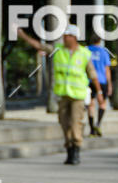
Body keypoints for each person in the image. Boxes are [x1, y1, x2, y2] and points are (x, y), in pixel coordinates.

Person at [17, 23, 105, 165]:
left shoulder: (84, 53)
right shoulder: (57, 50)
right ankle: (69, 148)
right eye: (64, 35)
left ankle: (76, 150)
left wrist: (99, 92)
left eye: (67, 36)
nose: (64, 38)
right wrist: (23, 36)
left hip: (78, 96)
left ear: (74, 37)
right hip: (63, 95)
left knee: (76, 122)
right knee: (64, 122)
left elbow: (93, 74)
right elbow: (39, 46)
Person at [87, 33, 112, 137]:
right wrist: (110, 84)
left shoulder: (86, 50)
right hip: (102, 81)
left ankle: (92, 129)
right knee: (102, 104)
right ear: (99, 41)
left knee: (91, 105)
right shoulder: (103, 52)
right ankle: (98, 124)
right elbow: (107, 70)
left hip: (89, 81)